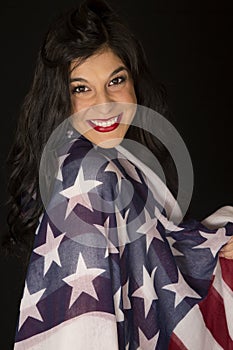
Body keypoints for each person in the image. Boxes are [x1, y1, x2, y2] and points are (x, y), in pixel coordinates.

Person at [3, 0, 233, 349]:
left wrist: (214, 247)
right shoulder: (86, 174)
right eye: (81, 88)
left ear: (134, 81)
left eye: (116, 80)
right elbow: (81, 327)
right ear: (60, 97)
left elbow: (160, 256)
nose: (105, 104)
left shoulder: (119, 158)